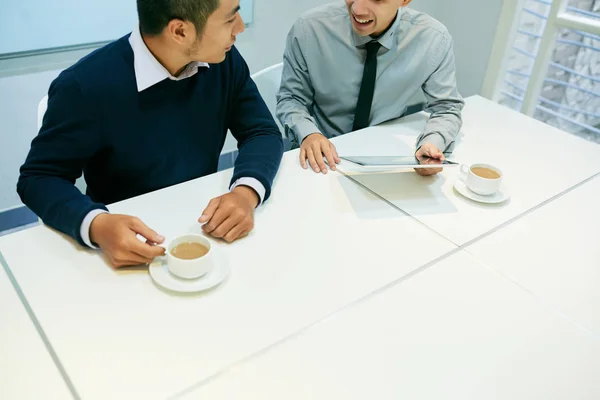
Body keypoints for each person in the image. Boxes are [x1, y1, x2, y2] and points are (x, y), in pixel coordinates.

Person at [18, 0, 283, 268]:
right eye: (230, 19)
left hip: (201, 228)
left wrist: (246, 192)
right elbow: (39, 177)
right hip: (126, 242)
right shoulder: (85, 86)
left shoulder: (222, 61)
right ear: (179, 31)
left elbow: (260, 130)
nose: (240, 28)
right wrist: (96, 225)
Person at [277, 0, 464, 176]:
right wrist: (309, 134)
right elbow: (291, 98)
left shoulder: (432, 38)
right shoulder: (309, 29)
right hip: (322, 154)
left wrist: (431, 144)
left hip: (387, 157)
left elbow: (447, 108)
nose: (358, 9)